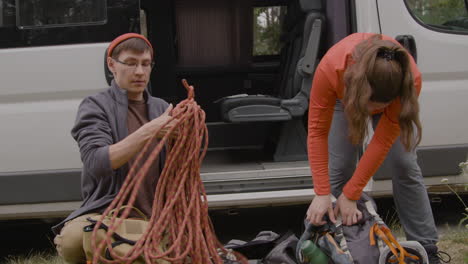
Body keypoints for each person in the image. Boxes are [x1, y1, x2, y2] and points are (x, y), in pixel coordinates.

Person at [306, 33, 442, 263]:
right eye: (370, 106)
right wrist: (321, 192)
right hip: (345, 96)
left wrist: (352, 193)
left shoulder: (408, 80)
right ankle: (346, 250)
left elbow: (381, 142)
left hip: (386, 96)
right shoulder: (330, 69)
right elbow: (317, 133)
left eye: (379, 107)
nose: (371, 113)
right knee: (340, 168)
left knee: (405, 164)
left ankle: (426, 248)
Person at [52, 33, 176, 264]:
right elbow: (96, 163)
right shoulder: (96, 106)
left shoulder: (162, 108)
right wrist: (150, 131)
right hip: (106, 213)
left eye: (145, 64)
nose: (139, 72)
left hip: (155, 214)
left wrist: (186, 137)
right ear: (112, 65)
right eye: (130, 63)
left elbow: (183, 167)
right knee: (73, 240)